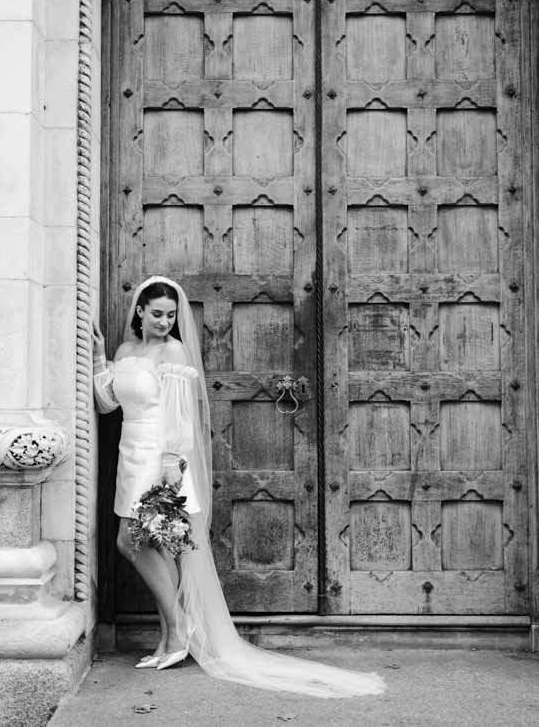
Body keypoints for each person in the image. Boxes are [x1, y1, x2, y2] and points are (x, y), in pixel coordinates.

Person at [93, 275, 384, 697]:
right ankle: (171, 633)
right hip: (130, 452)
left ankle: (177, 628)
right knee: (149, 543)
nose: (164, 322)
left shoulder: (174, 351)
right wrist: (100, 357)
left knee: (131, 541)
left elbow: (181, 414)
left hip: (161, 457)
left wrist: (174, 462)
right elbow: (107, 402)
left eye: (171, 315)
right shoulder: (125, 350)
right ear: (139, 311)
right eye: (157, 314)